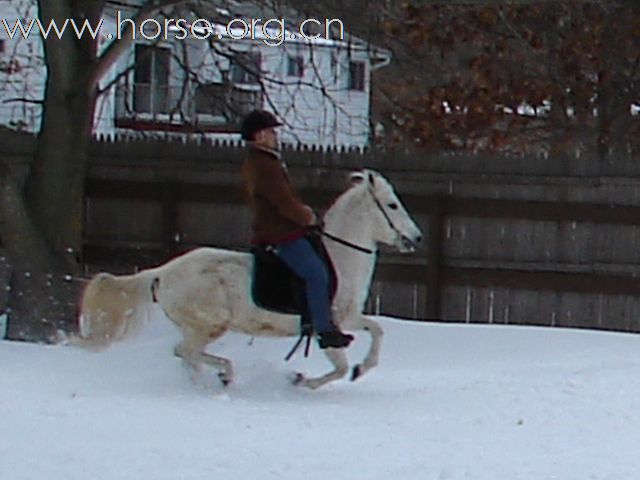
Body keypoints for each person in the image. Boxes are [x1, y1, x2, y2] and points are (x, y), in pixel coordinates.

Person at [240, 109, 354, 349]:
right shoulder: (265, 165)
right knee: (316, 274)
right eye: (271, 132)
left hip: (283, 228)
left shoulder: (262, 161)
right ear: (259, 135)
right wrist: (307, 216)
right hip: (280, 234)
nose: (275, 136)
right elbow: (283, 202)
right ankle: (323, 329)